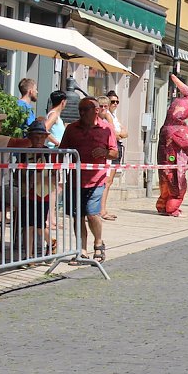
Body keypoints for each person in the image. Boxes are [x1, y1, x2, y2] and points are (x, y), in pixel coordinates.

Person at [59, 98, 118, 263]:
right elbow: (61, 150)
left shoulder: (106, 128)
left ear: (96, 110)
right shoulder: (71, 128)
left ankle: (98, 243)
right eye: (80, 109)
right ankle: (81, 250)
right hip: (75, 180)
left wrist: (104, 152)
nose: (82, 112)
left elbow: (115, 153)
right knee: (78, 216)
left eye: (86, 109)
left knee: (92, 214)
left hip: (97, 179)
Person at [17, 120, 55, 259]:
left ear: (45, 137)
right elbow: (19, 172)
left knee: (39, 226)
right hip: (27, 193)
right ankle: (28, 255)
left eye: (41, 136)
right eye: (35, 136)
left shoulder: (48, 153)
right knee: (28, 225)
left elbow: (53, 175)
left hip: (42, 193)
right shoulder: (24, 153)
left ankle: (51, 243)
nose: (38, 139)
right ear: (30, 137)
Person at [99, 91, 127, 221]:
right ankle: (101, 210)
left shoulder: (114, 116)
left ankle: (103, 209)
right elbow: (114, 134)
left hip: (117, 147)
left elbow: (125, 132)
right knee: (106, 181)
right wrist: (119, 134)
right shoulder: (107, 116)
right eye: (112, 101)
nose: (114, 104)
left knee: (109, 182)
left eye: (117, 101)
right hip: (111, 148)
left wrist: (120, 133)